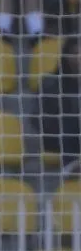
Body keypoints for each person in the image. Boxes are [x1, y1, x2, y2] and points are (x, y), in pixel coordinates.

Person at [37, 36, 81, 166]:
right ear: (66, 56)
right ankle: (71, 166)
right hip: (58, 133)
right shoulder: (51, 82)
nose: (79, 58)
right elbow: (42, 117)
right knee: (69, 117)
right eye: (75, 53)